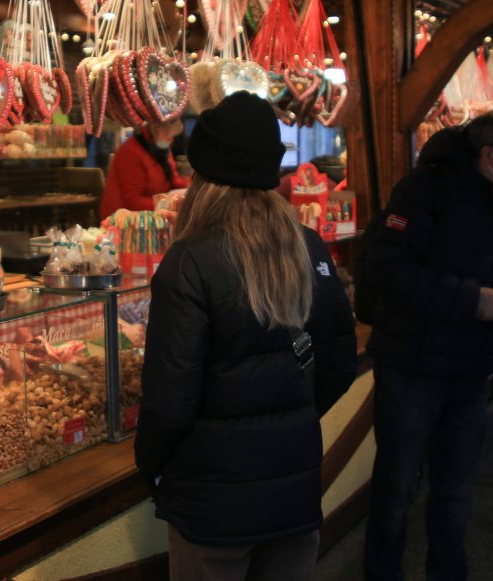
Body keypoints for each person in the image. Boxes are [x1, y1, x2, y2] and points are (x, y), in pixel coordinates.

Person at [135, 92, 357, 581]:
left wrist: (150, 467)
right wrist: (290, 418)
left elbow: (168, 401)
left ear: (203, 176)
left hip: (213, 507)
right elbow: (340, 361)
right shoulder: (309, 245)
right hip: (294, 493)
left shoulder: (189, 260)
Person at [362, 107, 493, 581]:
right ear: (491, 155)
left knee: (456, 492)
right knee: (396, 490)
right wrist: (468, 300)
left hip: (471, 371)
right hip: (411, 368)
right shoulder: (424, 189)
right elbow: (386, 271)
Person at [100, 118, 189, 219]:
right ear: (155, 130)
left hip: (150, 218)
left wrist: (191, 188)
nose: (171, 139)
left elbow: (173, 179)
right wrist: (168, 205)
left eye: (173, 136)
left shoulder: (162, 147)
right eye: (169, 136)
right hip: (121, 222)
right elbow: (134, 202)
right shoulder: (130, 152)